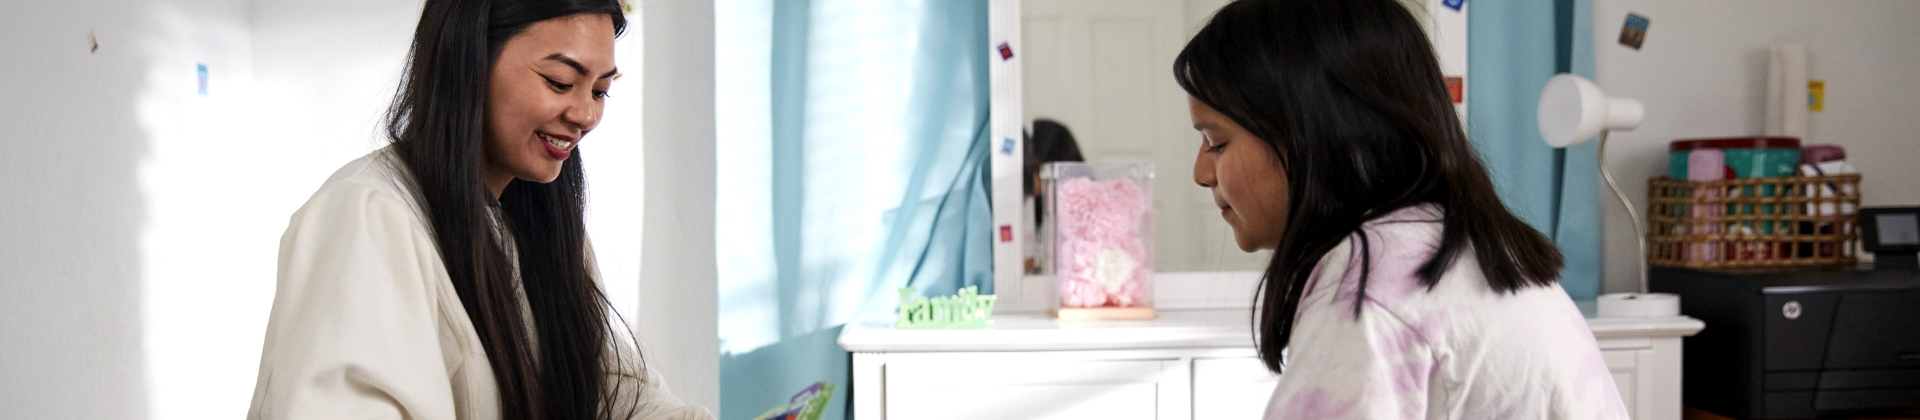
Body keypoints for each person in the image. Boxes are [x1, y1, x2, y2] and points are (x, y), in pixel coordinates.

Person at [247, 0, 712, 418]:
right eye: (560, 82)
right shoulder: (369, 216)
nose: (585, 116)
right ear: (467, 61)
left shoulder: (542, 222)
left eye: (599, 91)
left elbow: (611, 392)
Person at [1175, 0, 1627, 418]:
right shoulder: (1455, 245)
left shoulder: (1374, 288)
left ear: (1308, 134)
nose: (1201, 172)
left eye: (1216, 142)